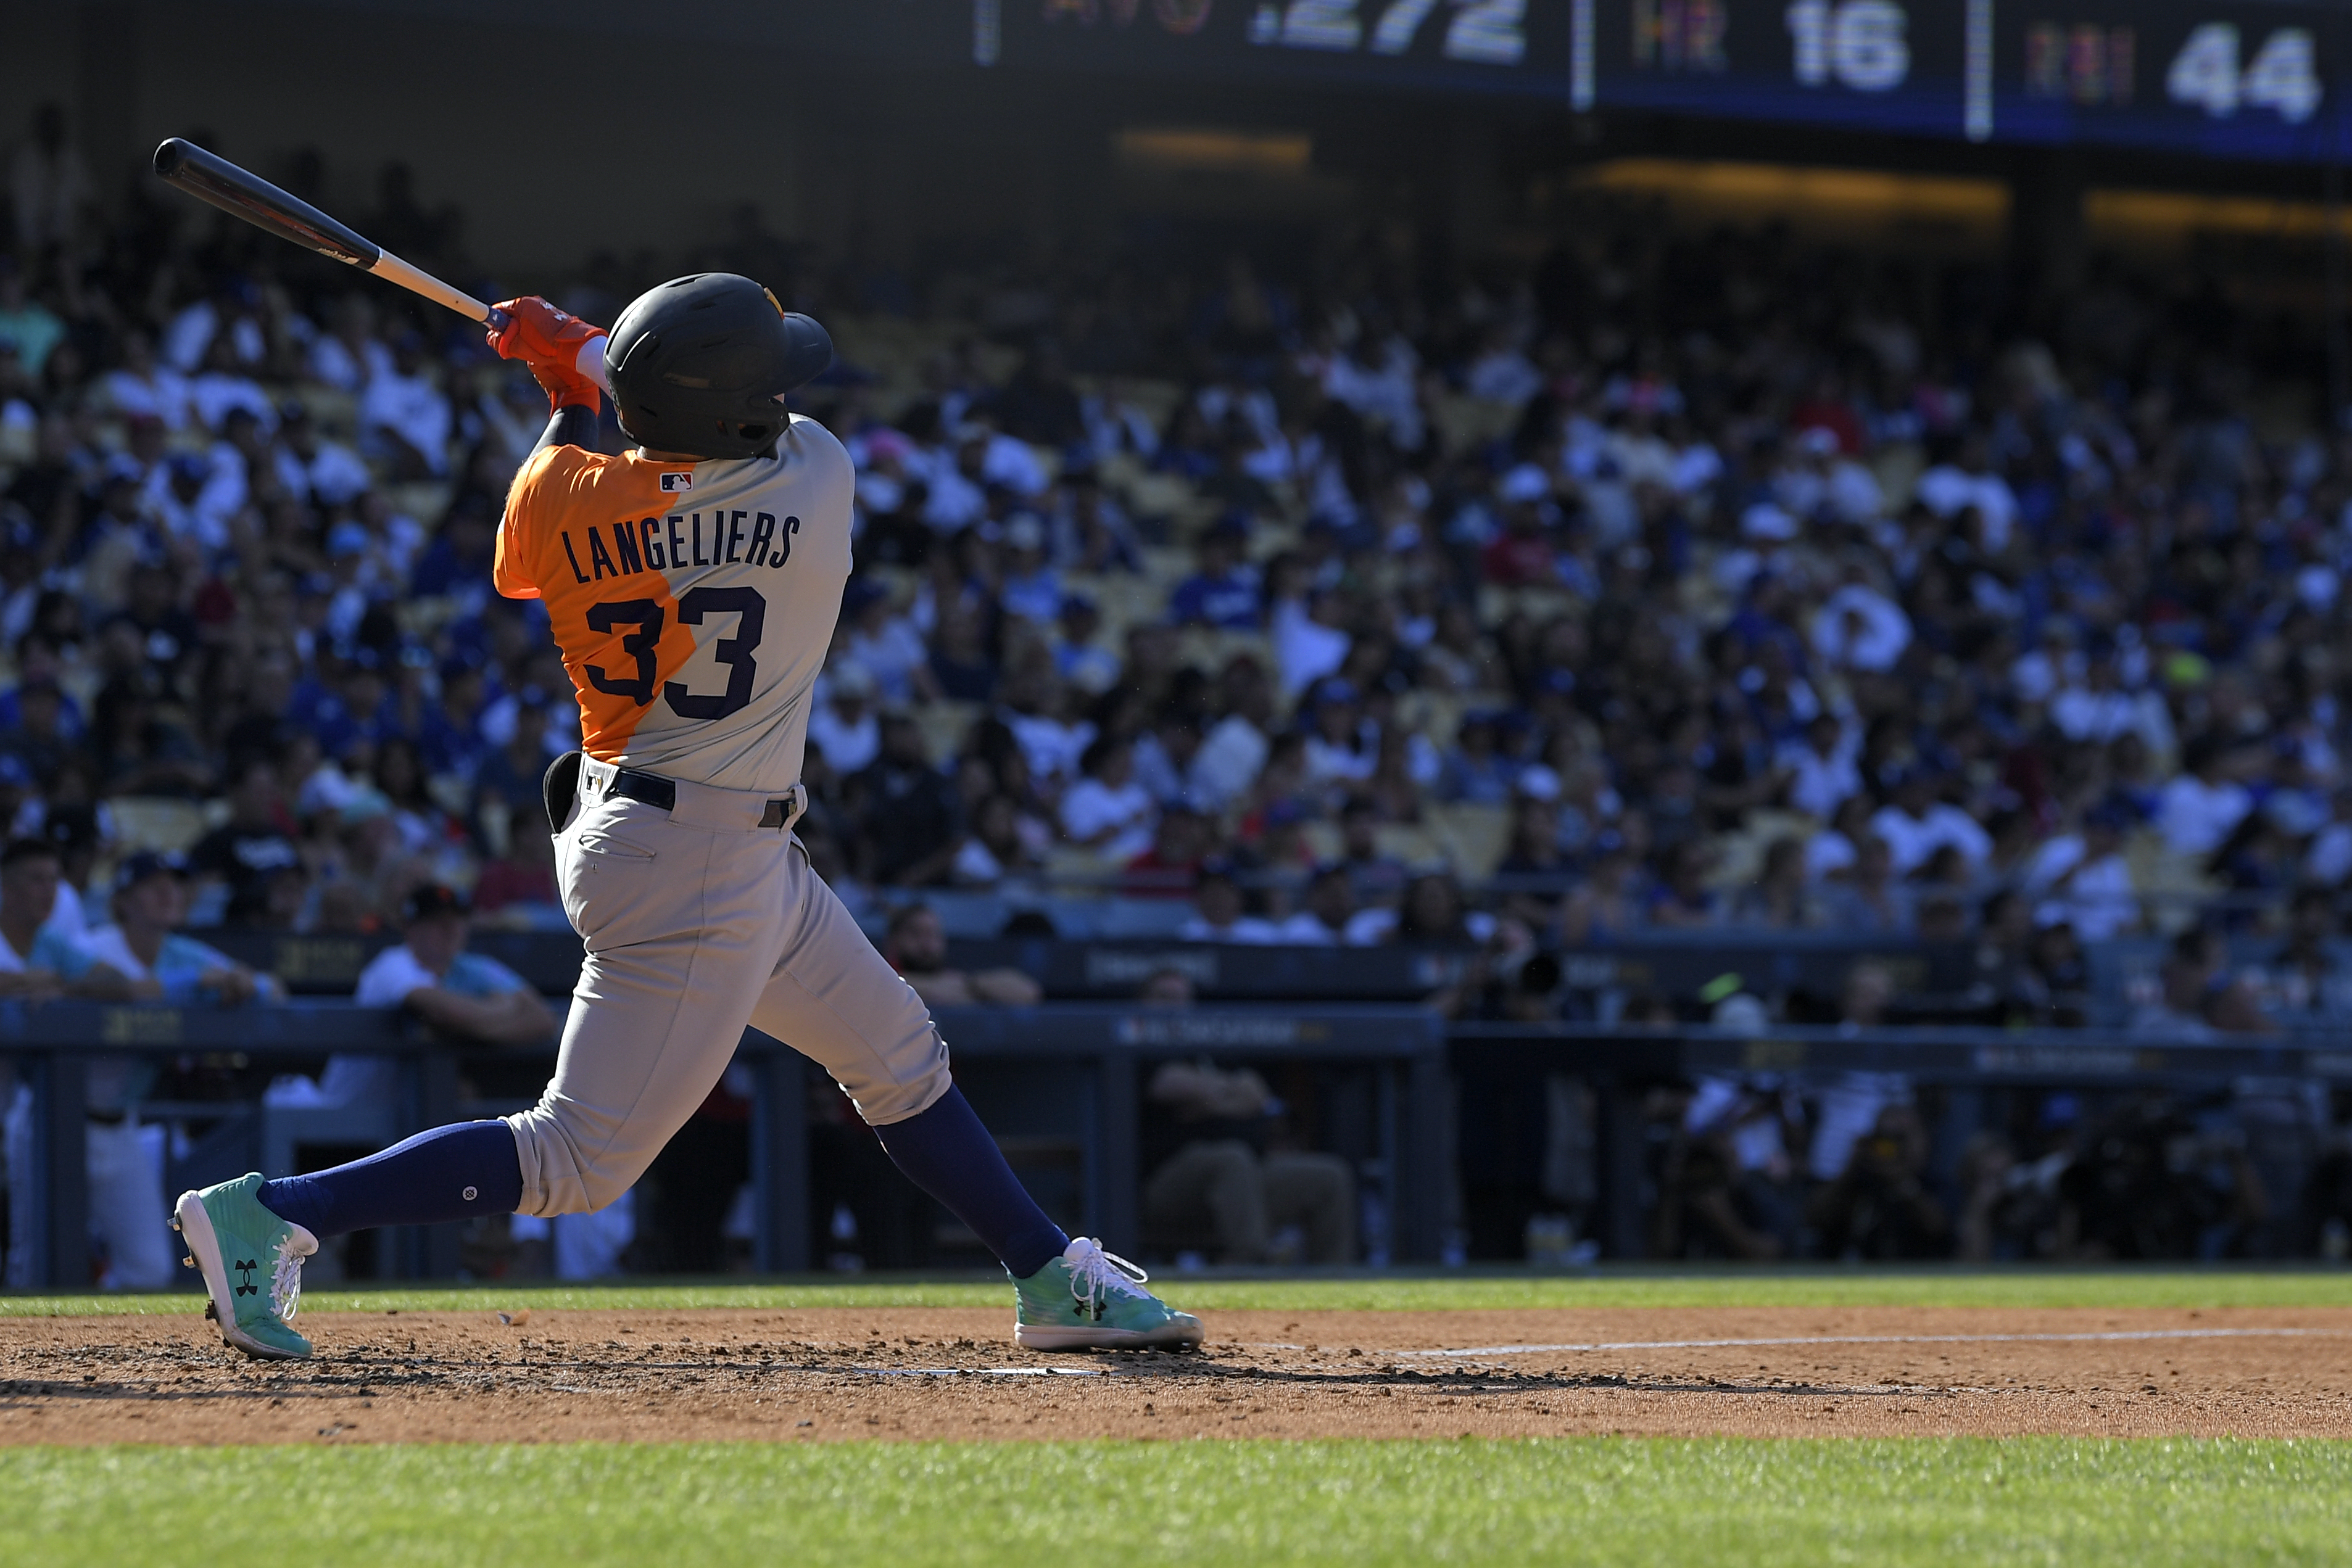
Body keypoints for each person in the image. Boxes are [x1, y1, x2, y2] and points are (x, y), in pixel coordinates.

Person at [174, 281, 1198, 1358]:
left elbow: (527, 548)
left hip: (686, 837)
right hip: (696, 858)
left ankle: (1046, 1272)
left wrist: (573, 386)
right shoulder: (818, 479)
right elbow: (734, 430)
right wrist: (590, 361)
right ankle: (273, 1210)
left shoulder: (565, 495)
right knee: (575, 1158)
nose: (783, 392)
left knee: (898, 1055)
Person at [882, 902, 1042, 1007]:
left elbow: (1029, 993)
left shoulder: (962, 980)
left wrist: (971, 984)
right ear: (894, 941)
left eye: (933, 934)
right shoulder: (882, 980)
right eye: (916, 934)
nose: (927, 944)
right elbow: (935, 995)